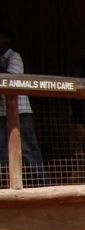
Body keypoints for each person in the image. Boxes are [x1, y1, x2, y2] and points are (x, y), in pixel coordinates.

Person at [0, 28, 48, 186]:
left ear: (7, 40)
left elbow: (11, 78)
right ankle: (7, 186)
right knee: (3, 153)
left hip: (21, 113)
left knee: (29, 150)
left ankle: (43, 185)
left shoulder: (14, 57)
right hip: (2, 114)